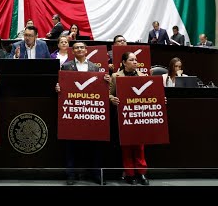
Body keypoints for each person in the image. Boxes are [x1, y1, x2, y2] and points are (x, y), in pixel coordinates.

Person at [55, 41, 111, 185]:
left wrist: (106, 81)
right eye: (76, 48)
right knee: (70, 143)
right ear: (72, 51)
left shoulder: (96, 68)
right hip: (73, 111)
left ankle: (96, 173)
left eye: (82, 47)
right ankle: (71, 174)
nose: (79, 49)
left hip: (90, 111)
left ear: (86, 50)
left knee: (95, 143)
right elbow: (62, 85)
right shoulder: (66, 66)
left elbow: (103, 89)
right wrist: (58, 88)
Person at [109, 51, 150, 186]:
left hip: (138, 116)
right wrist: (112, 99)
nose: (135, 62)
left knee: (140, 147)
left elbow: (150, 95)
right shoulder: (116, 76)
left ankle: (142, 173)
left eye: (136, 60)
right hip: (123, 117)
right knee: (126, 147)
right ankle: (130, 174)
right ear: (124, 63)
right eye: (131, 60)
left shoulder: (143, 76)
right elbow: (108, 94)